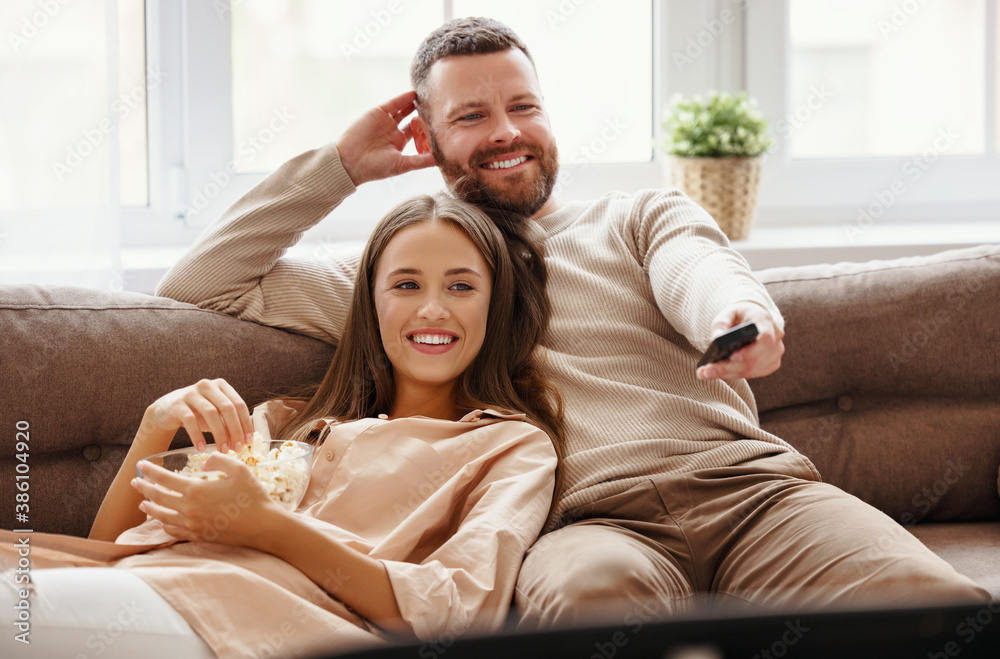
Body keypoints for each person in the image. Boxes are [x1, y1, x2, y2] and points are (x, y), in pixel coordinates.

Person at [154, 16, 992, 630]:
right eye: (471, 117)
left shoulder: (636, 217)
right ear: (430, 143)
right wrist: (337, 168)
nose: (507, 132)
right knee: (592, 610)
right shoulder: (413, 277)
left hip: (754, 494)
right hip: (585, 522)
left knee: (940, 612)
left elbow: (702, 269)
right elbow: (202, 282)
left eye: (523, 105)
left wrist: (738, 316)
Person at [0, 194, 562, 658]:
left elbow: (458, 613)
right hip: (149, 586)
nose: (433, 309)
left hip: (247, 622)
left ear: (495, 305)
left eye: (461, 287)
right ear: (372, 303)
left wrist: (269, 528)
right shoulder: (286, 422)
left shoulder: (509, 447)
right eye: (407, 285)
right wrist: (154, 426)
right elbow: (113, 550)